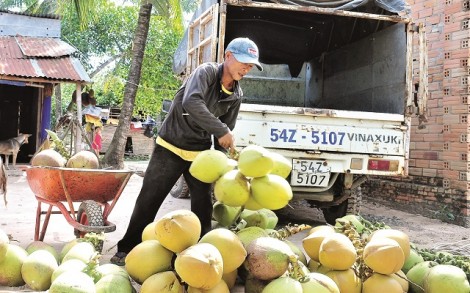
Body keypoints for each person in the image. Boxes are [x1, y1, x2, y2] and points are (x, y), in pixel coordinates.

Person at [110, 37, 263, 265]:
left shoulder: (236, 95)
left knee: (203, 205)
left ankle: (201, 255)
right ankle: (127, 248)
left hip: (199, 155)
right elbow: (191, 103)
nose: (246, 68)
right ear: (228, 56)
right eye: (244, 62)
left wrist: (221, 163)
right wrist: (221, 130)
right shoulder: (205, 73)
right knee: (149, 199)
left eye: (251, 65)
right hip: (170, 146)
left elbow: (224, 133)